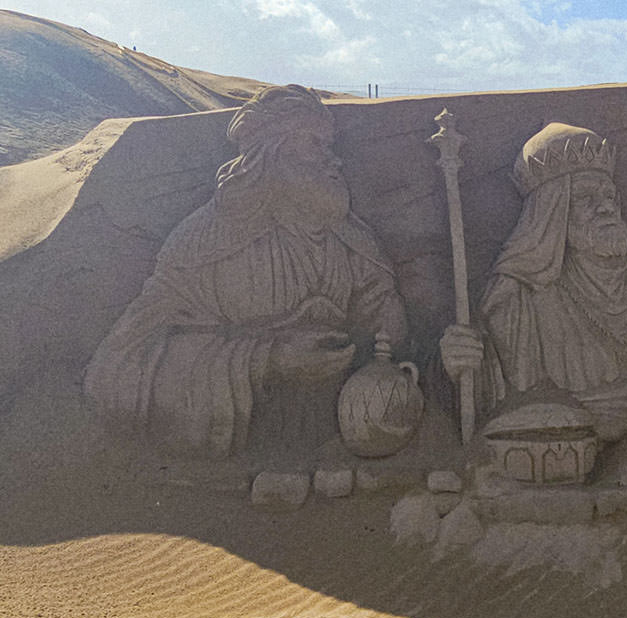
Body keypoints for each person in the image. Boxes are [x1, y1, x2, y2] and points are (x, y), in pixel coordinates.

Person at [84, 85, 407, 458]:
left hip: (344, 449)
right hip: (232, 465)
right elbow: (119, 369)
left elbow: (390, 336)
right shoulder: (203, 243)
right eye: (314, 144)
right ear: (269, 155)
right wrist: (266, 360)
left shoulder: (354, 243)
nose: (334, 161)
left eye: (330, 146)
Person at [440, 123, 627, 440]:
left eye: (610, 195)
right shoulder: (517, 300)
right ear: (551, 213)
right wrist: (459, 364)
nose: (607, 207)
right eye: (585, 197)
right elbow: (487, 394)